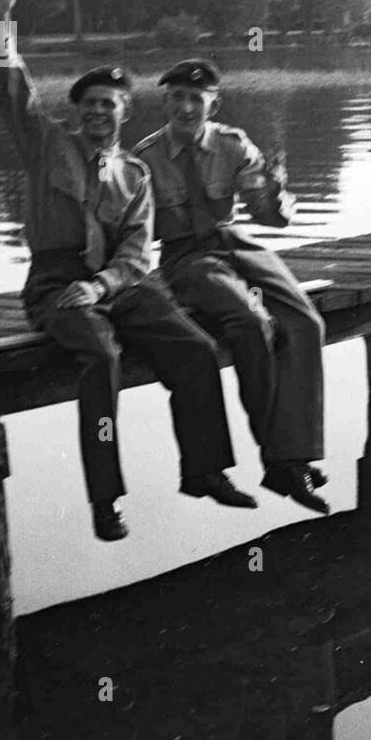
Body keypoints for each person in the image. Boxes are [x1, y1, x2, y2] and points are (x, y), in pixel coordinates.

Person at [0, 0, 235, 542]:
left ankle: (205, 469)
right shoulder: (47, 146)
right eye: (90, 103)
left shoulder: (135, 174)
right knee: (102, 356)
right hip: (55, 283)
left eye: (110, 105)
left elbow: (138, 253)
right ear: (77, 112)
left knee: (193, 347)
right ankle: (104, 498)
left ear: (125, 114)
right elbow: (10, 93)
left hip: (116, 284)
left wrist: (104, 286)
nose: (98, 112)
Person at [133, 58, 329, 514]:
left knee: (305, 322)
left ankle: (293, 453)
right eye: (177, 98)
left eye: (195, 99)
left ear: (213, 102)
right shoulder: (144, 158)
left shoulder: (232, 143)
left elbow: (268, 215)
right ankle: (281, 458)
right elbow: (131, 231)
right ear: (165, 101)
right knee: (250, 321)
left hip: (236, 243)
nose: (186, 108)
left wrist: (277, 192)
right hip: (188, 257)